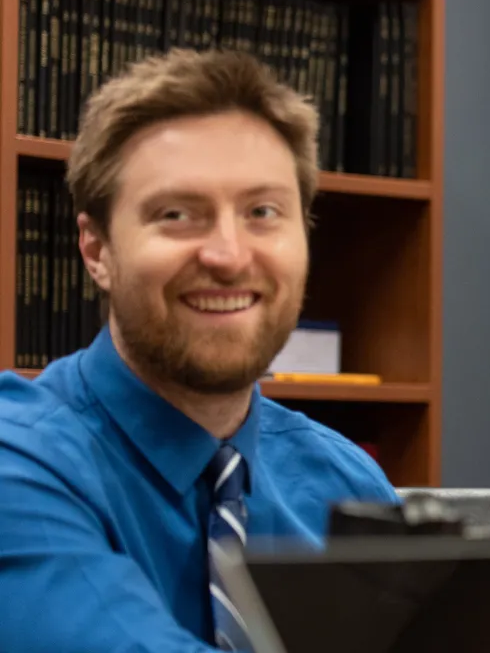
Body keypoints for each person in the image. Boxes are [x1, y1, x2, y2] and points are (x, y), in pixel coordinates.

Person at [0, 49, 394, 652]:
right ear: (95, 249)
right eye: (177, 214)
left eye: (263, 212)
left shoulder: (345, 480)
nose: (230, 256)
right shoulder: (20, 464)